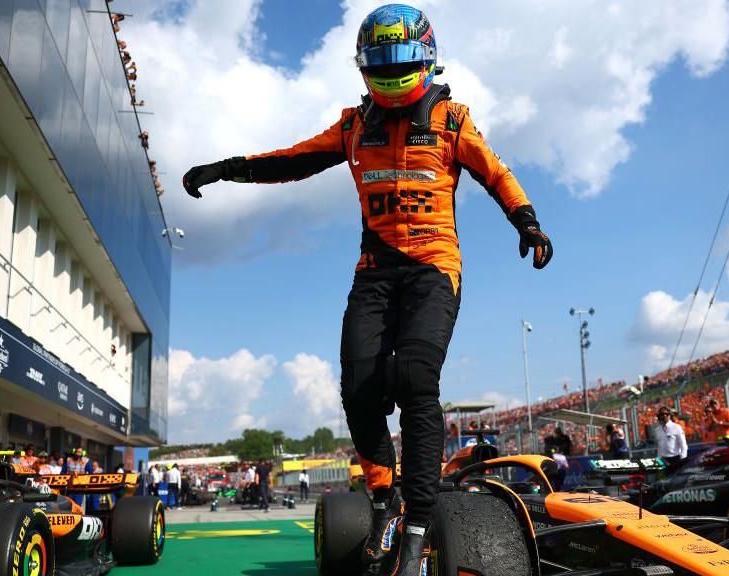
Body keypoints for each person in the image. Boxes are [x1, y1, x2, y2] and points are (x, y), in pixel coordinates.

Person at [181, 5, 553, 574]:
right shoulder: (354, 125)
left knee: (414, 379)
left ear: (425, 58)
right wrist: (225, 167)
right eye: (381, 63)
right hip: (374, 273)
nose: (392, 72)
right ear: (364, 67)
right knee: (357, 386)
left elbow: (496, 171)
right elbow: (293, 161)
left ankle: (420, 521)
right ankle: (384, 499)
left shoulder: (453, 120)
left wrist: (525, 221)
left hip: (433, 266)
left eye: (401, 61)